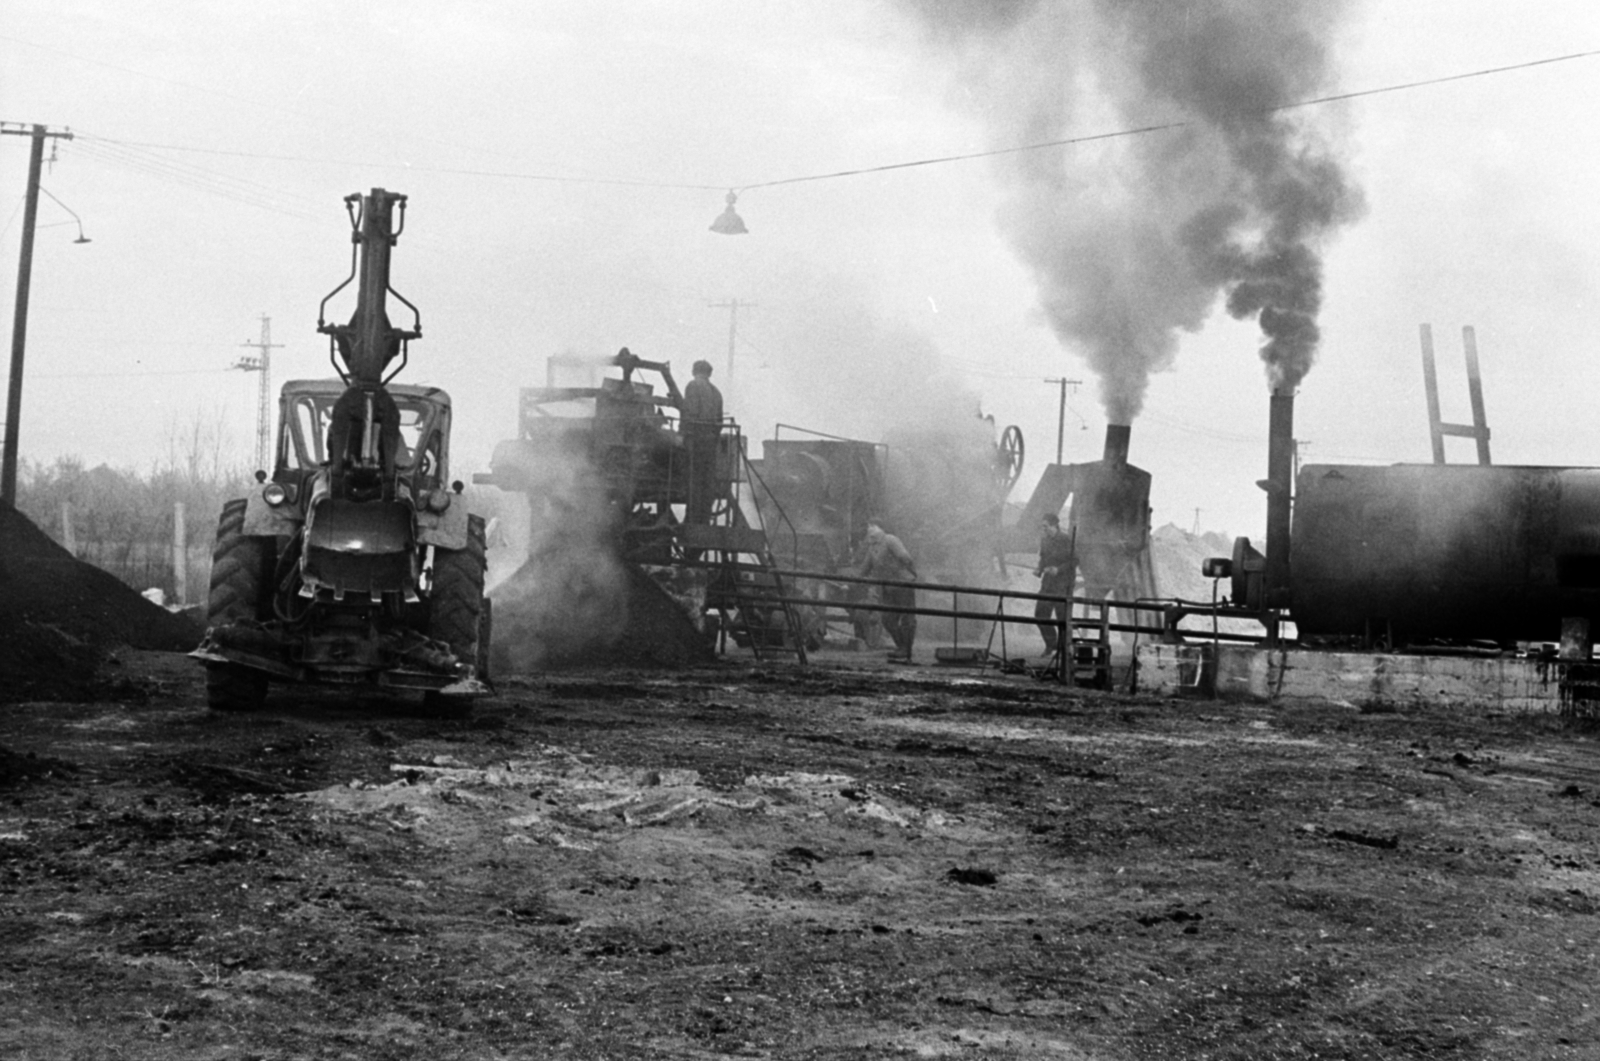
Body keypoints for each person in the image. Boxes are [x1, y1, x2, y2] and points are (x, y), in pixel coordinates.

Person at [858, 517, 919, 662]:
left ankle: (906, 649)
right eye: (868, 525)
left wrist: (909, 573)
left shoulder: (890, 540)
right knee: (887, 619)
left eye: (873, 525)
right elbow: (865, 568)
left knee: (907, 618)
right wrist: (852, 582)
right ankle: (901, 646)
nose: (869, 528)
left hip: (903, 584)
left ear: (881, 528)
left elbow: (905, 557)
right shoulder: (872, 548)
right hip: (888, 588)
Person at [681, 360, 724, 524]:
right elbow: (719, 422)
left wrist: (682, 435)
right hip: (710, 443)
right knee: (707, 484)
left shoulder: (693, 386)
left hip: (696, 442)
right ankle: (703, 521)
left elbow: (690, 413)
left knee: (693, 481)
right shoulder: (716, 392)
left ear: (694, 371)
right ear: (710, 373)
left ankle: (691, 520)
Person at [1034, 512, 1076, 657]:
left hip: (1062, 586)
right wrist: (1039, 569)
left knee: (1061, 618)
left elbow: (1074, 561)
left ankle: (1063, 651)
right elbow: (1043, 558)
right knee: (1040, 615)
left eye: (1046, 526)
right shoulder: (1044, 540)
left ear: (1054, 525)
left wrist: (1058, 570)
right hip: (1047, 584)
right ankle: (1051, 645)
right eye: (1042, 526)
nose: (1043, 529)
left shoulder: (1066, 540)